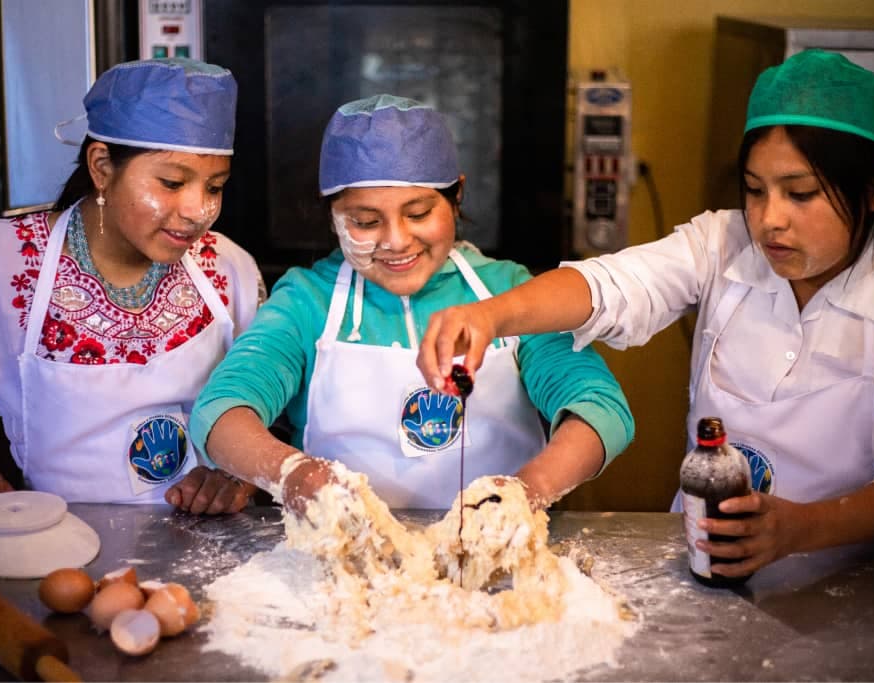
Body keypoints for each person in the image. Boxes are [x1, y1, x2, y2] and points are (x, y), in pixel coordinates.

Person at [417, 49, 874, 575]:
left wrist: (797, 528)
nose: (769, 219)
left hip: (854, 581)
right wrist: (492, 316)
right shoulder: (721, 244)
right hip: (702, 564)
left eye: (800, 194)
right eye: (755, 191)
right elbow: (612, 285)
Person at [190, 94, 634, 511]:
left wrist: (527, 493)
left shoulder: (508, 293)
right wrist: (296, 475)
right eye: (365, 221)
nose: (397, 240)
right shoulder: (307, 301)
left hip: (502, 568)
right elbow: (220, 410)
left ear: (456, 197)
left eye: (418, 213)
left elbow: (601, 407)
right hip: (344, 571)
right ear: (332, 215)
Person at [0, 57, 265, 514]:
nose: (198, 210)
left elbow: (272, 392)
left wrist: (239, 475)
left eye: (214, 187)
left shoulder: (230, 268)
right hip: (57, 544)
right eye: (172, 182)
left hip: (209, 542)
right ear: (102, 166)